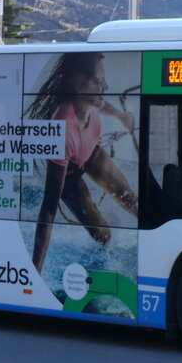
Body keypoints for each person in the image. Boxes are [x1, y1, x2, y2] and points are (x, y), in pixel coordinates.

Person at [28, 52, 137, 272]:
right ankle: (94, 275)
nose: (106, 86)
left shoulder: (90, 100)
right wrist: (34, 271)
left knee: (131, 201)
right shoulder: (64, 129)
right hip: (69, 176)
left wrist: (120, 116)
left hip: (90, 152)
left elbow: (101, 103)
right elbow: (48, 209)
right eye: (98, 81)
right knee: (104, 235)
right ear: (79, 87)